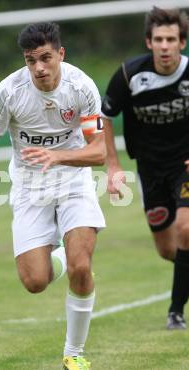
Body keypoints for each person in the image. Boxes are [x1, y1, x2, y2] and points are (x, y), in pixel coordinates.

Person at [0, 22, 106, 369]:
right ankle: (64, 255)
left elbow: (98, 153)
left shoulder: (82, 87)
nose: (39, 67)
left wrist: (59, 156)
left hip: (73, 180)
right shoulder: (9, 91)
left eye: (46, 58)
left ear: (60, 54)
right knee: (34, 281)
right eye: (30, 60)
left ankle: (74, 354)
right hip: (29, 186)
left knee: (84, 267)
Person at [102, 6, 189, 330]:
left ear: (181, 42)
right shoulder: (129, 75)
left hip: (185, 165)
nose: (164, 45)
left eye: (170, 39)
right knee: (168, 249)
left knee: (186, 230)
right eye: (158, 39)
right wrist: (112, 165)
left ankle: (175, 312)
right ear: (148, 42)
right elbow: (105, 116)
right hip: (150, 171)